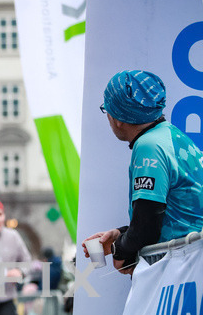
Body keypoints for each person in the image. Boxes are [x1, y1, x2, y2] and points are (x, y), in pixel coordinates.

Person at [83, 70, 203, 271]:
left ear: (119, 118)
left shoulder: (149, 146)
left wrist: (121, 251)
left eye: (107, 110)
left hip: (178, 268)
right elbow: (169, 213)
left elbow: (146, 227)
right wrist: (120, 235)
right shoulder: (170, 135)